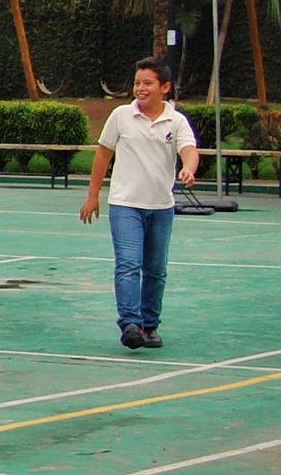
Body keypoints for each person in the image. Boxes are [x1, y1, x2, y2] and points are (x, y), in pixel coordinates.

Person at [80, 57, 199, 351]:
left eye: (148, 83)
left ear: (165, 87)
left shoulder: (176, 120)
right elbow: (102, 155)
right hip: (125, 205)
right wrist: (93, 195)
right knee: (129, 264)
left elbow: (189, 150)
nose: (140, 88)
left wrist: (188, 168)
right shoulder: (121, 116)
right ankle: (130, 324)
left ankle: (150, 324)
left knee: (156, 268)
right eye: (137, 83)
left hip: (161, 207)